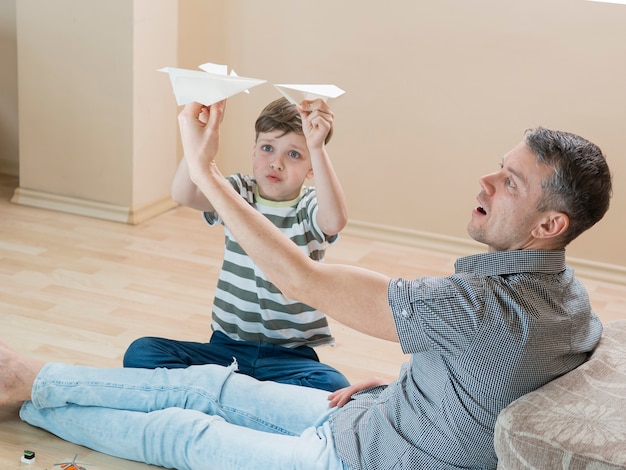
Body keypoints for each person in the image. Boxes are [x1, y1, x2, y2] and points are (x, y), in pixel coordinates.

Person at [0, 99, 613, 470]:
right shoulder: (572, 301)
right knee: (206, 384)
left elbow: (299, 276)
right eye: (499, 166)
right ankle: (30, 375)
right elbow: (501, 376)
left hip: (351, 459)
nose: (484, 180)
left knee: (183, 432)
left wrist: (206, 168)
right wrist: (411, 382)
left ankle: (26, 393)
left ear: (549, 224)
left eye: (509, 182)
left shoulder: (484, 305)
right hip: (372, 418)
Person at [123, 97, 350, 392]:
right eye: (267, 148)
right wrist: (201, 146)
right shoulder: (237, 191)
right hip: (226, 349)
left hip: (290, 356)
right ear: (253, 150)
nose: (276, 162)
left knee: (332, 385)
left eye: (294, 154)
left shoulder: (309, 207)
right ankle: (245, 396)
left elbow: (334, 221)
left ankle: (224, 394)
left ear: (311, 169)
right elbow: (183, 194)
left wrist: (317, 146)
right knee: (141, 352)